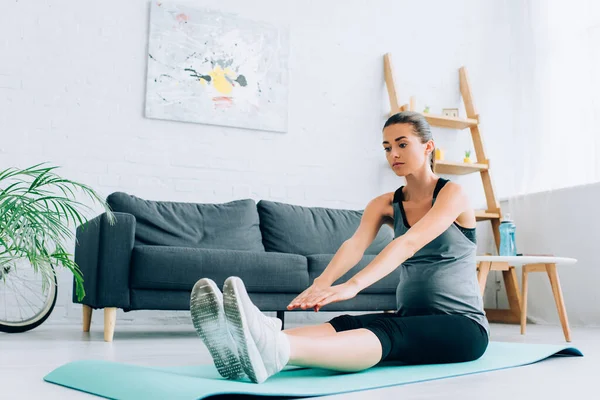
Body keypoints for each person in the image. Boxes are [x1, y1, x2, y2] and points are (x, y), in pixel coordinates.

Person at [190, 111, 490, 384]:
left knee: (387, 334)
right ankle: (252, 338)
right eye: (387, 148)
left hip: (462, 326)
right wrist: (322, 282)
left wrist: (353, 285)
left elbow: (409, 242)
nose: (393, 154)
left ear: (428, 147)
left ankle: (276, 348)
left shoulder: (453, 194)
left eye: (402, 144)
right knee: (344, 324)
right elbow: (355, 244)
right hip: (411, 317)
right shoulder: (385, 203)